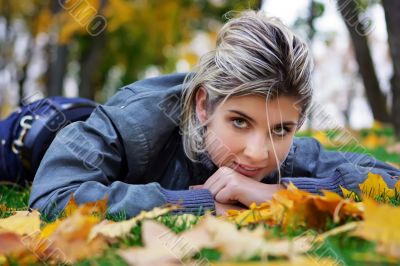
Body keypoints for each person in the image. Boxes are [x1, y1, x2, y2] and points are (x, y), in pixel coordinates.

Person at [2, 10, 398, 219]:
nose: (257, 154)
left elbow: (392, 182)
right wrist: (199, 203)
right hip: (38, 132)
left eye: (281, 128)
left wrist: (278, 193)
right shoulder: (136, 123)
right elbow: (55, 196)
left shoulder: (277, 153)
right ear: (204, 105)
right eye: (239, 122)